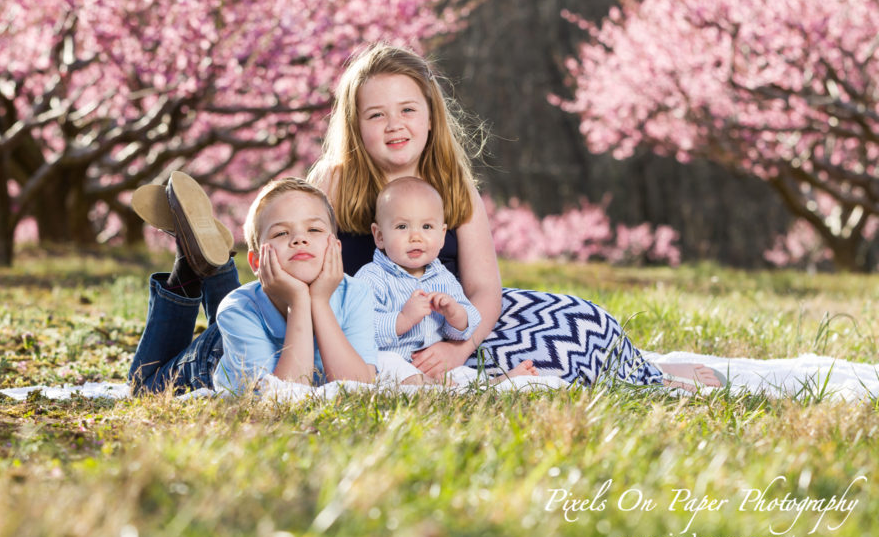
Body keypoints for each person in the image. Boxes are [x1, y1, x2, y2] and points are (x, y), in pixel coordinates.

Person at [308, 43, 725, 392]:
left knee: (585, 320)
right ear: (355, 124)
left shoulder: (453, 183)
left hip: (457, 327)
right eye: (376, 114)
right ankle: (645, 378)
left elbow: (485, 289)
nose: (394, 125)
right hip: (379, 336)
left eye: (408, 110)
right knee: (540, 369)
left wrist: (459, 349)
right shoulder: (335, 181)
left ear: (431, 117)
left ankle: (646, 372)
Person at [128, 172, 377, 394]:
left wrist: (320, 302)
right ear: (256, 263)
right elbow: (284, 397)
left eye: (314, 230)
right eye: (281, 233)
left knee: (243, 307)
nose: (300, 239)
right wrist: (299, 302)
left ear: (335, 246)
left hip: (248, 328)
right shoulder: (238, 310)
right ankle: (187, 271)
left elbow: (358, 386)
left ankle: (215, 264)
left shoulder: (356, 294)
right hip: (216, 354)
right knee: (142, 387)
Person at [357, 175, 542, 387]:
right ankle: (433, 388)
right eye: (402, 227)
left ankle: (493, 384)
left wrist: (455, 314)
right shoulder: (372, 277)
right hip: (389, 360)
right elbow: (361, 328)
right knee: (388, 363)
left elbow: (467, 325)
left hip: (435, 364)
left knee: (461, 372)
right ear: (379, 236)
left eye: (426, 227)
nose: (415, 237)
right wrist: (402, 320)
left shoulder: (443, 278)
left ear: (442, 235)